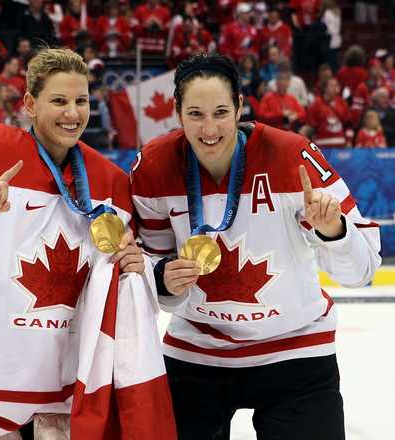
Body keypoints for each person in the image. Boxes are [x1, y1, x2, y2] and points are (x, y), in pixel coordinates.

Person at [0, 47, 175, 440]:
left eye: (81, 101)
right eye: (58, 101)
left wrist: (133, 264)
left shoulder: (109, 183)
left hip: (49, 410)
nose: (72, 113)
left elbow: (126, 269)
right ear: (29, 104)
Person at [130, 52, 382, 440]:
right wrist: (162, 277)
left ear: (240, 108)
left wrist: (334, 230)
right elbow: (147, 259)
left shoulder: (292, 157)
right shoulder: (154, 165)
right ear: (177, 113)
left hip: (296, 351)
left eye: (220, 112)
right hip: (198, 353)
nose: (209, 127)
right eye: (195, 113)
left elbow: (363, 269)